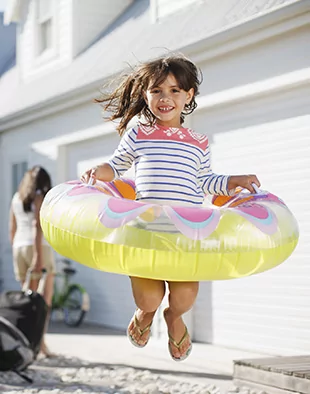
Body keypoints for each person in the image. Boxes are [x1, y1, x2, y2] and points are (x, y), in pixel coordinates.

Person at [81, 54, 260, 361]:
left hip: (185, 232)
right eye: (157, 91)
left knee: (184, 298)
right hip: (147, 231)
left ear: (189, 95)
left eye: (175, 90)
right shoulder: (139, 133)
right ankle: (146, 313)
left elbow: (205, 180)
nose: (166, 98)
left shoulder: (199, 142)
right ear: (145, 95)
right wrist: (98, 171)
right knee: (150, 296)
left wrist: (233, 180)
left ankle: (173, 318)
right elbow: (117, 165)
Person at [9, 165, 56, 357]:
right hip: (39, 247)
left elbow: (11, 228)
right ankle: (40, 344)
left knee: (26, 300)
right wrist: (37, 256)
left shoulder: (16, 198)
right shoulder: (40, 197)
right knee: (44, 301)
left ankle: (25, 343)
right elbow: (38, 226)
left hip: (19, 247)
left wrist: (17, 249)